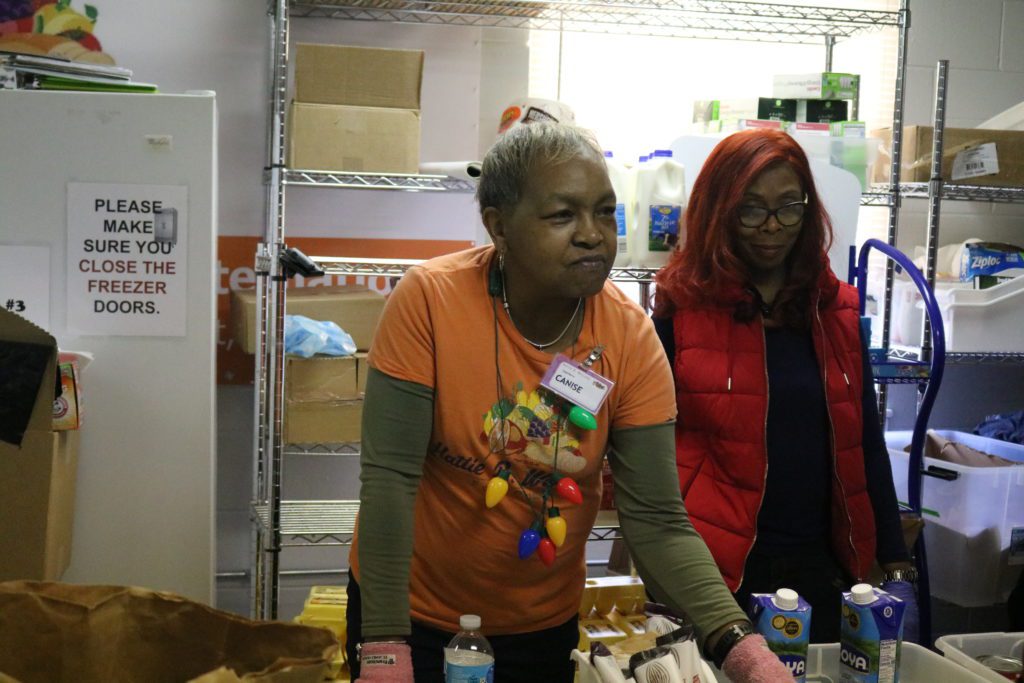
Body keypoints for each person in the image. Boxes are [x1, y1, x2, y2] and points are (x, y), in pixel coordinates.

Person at [346, 123, 791, 682]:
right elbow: (390, 480)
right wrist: (386, 646)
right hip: (412, 617)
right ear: (499, 227)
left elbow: (656, 520)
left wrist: (744, 651)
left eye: (605, 213)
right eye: (563, 216)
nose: (592, 235)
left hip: (540, 626)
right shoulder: (430, 302)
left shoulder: (628, 335)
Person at [653, 128, 919, 643]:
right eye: (750, 209)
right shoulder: (681, 310)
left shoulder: (835, 310)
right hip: (717, 571)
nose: (771, 227)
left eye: (788, 207)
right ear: (719, 212)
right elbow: (652, 451)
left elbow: (864, 440)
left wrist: (894, 557)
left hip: (822, 569)